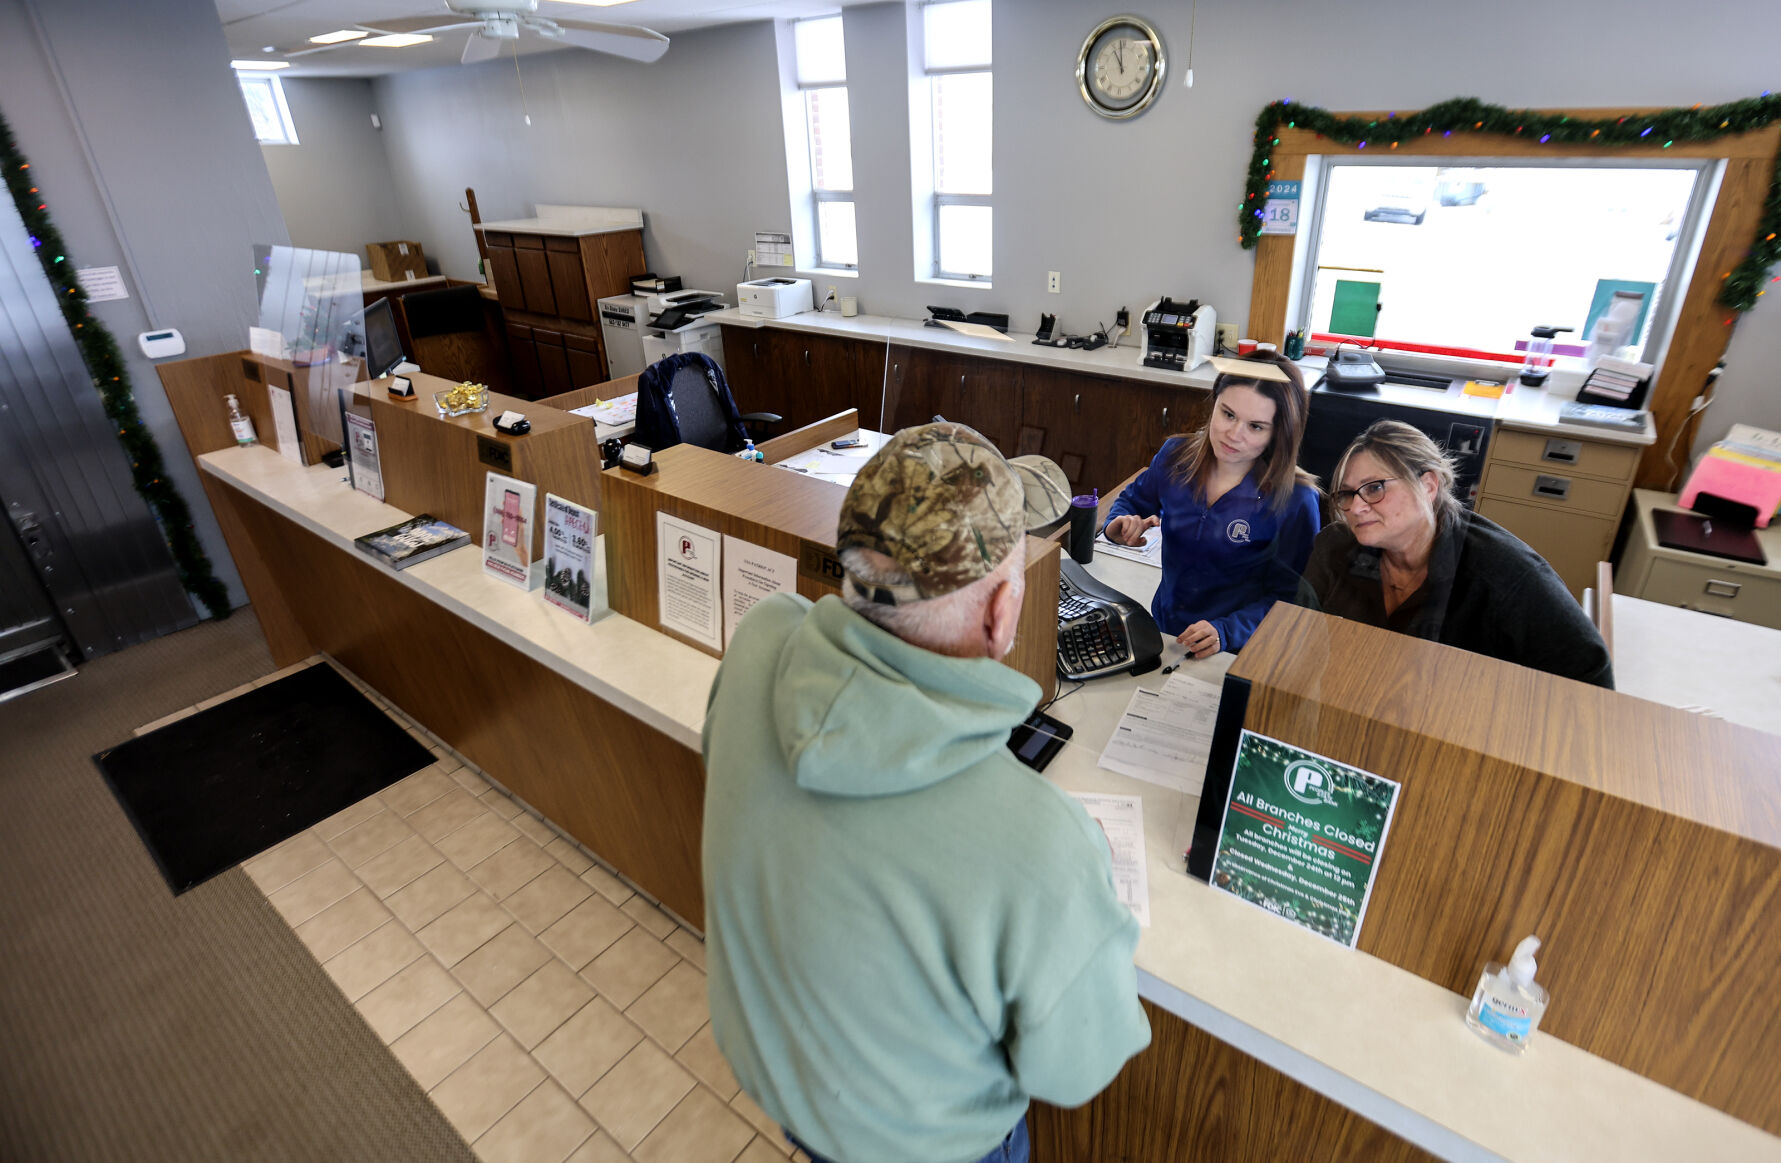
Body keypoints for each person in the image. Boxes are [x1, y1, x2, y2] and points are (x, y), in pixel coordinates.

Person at [702, 423, 1151, 1163]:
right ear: (1001, 609)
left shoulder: (760, 638)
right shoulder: (1040, 842)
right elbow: (1076, 1068)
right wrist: (1082, 891)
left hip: (790, 1087)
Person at [1300, 419, 1614, 688]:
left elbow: (1590, 678)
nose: (1355, 507)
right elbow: (1298, 637)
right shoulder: (1335, 548)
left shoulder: (1507, 577)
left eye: (1374, 488)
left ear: (1428, 486)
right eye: (1347, 494)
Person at [1101, 353, 1321, 657]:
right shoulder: (1175, 455)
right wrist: (1118, 523)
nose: (1234, 434)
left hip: (1236, 650)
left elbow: (1291, 601)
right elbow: (1133, 500)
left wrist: (1227, 631)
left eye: (1256, 427)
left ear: (1277, 434)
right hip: (1165, 631)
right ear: (1214, 402)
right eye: (1228, 414)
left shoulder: (1296, 500)